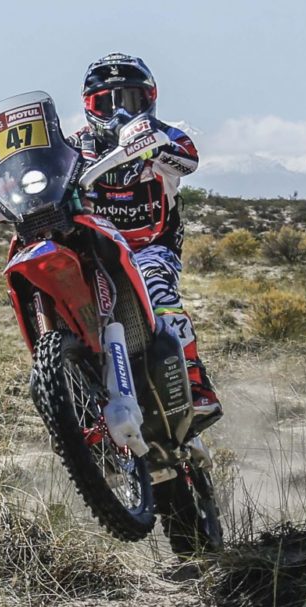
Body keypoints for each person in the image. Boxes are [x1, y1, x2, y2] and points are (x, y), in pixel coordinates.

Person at [69, 53, 222, 427]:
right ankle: (69, 401)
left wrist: (154, 147)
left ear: (149, 99)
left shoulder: (166, 135)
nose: (119, 110)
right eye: (106, 102)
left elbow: (189, 160)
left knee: (159, 291)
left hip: (151, 248)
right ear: (90, 106)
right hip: (94, 252)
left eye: (131, 99)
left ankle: (195, 383)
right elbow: (37, 173)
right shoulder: (73, 145)